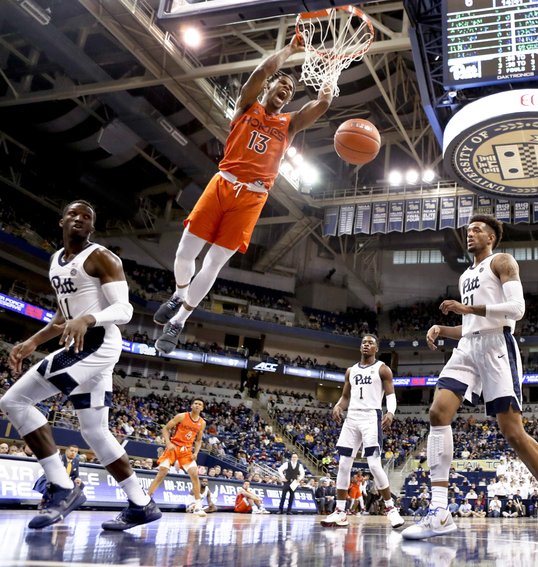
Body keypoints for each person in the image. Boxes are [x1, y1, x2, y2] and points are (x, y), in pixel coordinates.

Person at [153, 34, 334, 353]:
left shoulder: (288, 125)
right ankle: (180, 293)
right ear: (269, 88)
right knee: (184, 253)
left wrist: (328, 89)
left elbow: (318, 106)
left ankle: (178, 321)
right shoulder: (247, 106)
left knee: (213, 263)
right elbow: (262, 71)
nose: (286, 90)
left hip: (252, 197)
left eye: (291, 90)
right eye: (282, 85)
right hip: (223, 182)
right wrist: (291, 49)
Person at [401, 215, 538, 540]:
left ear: (491, 236)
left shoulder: (502, 262)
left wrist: (471, 310)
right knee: (438, 413)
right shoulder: (466, 275)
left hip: (497, 346)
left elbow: (516, 309)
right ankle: (439, 511)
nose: (470, 234)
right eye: (468, 231)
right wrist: (443, 330)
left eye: (477, 230)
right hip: (467, 347)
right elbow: (469, 326)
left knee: (512, 432)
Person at [0, 200, 161, 530]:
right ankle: (141, 504)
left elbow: (124, 310)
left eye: (86, 217)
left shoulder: (102, 257)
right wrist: (33, 341)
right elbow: (63, 317)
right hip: (81, 343)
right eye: (73, 214)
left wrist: (88, 318)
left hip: (98, 341)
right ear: (62, 221)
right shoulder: (55, 262)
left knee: (14, 401)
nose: (79, 219)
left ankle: (61, 487)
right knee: (95, 431)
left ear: (92, 228)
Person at [322, 334, 404, 529]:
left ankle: (391, 509)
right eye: (364, 342)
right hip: (352, 418)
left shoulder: (383, 369)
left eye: (371, 343)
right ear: (360, 347)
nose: (366, 345)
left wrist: (390, 413)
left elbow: (391, 395)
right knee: (343, 465)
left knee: (374, 465)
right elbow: (345, 397)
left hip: (371, 417)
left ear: (376, 348)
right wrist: (338, 406)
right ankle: (340, 512)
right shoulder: (350, 370)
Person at [145, 399, 207, 516]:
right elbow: (165, 428)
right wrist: (168, 443)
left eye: (200, 404)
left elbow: (198, 440)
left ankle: (198, 506)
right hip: (174, 446)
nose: (197, 405)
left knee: (194, 474)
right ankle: (146, 500)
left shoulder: (202, 423)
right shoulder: (182, 416)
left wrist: (196, 452)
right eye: (196, 403)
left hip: (186, 450)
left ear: (202, 408)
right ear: (192, 405)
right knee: (162, 472)